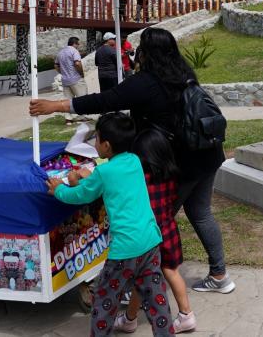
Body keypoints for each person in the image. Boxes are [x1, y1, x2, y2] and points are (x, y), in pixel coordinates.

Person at [29, 27, 233, 294]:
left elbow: (105, 100)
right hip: (207, 153)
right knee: (201, 213)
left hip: (179, 162)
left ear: (146, 53)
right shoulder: (183, 74)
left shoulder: (146, 81)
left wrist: (56, 106)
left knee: (154, 220)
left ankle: (143, 284)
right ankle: (219, 275)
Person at [48, 112, 171, 336]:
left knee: (104, 299)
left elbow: (80, 196)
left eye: (96, 139)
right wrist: (87, 179)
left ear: (105, 145)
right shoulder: (134, 160)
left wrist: (59, 189)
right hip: (150, 241)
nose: (94, 143)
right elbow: (115, 182)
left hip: (125, 250)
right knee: (156, 299)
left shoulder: (104, 172)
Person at [115, 130, 196, 334]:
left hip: (148, 235)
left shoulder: (141, 179)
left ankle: (130, 319)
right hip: (168, 230)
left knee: (140, 278)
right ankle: (185, 314)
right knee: (170, 271)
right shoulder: (170, 174)